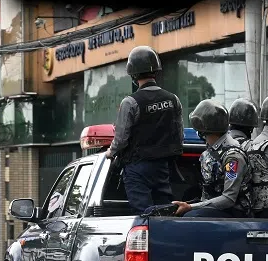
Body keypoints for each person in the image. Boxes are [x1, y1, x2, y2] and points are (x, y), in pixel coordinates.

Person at [105, 46, 184, 214]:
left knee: (144, 214)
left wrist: (110, 153)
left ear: (133, 75)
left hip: (137, 166)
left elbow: (121, 139)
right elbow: (179, 135)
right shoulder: (173, 100)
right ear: (156, 71)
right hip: (162, 167)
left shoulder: (130, 102)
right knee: (164, 212)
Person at [172, 100, 251, 218]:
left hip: (234, 213)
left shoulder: (233, 157)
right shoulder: (212, 151)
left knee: (190, 217)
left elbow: (229, 199)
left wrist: (191, 207)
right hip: (215, 208)